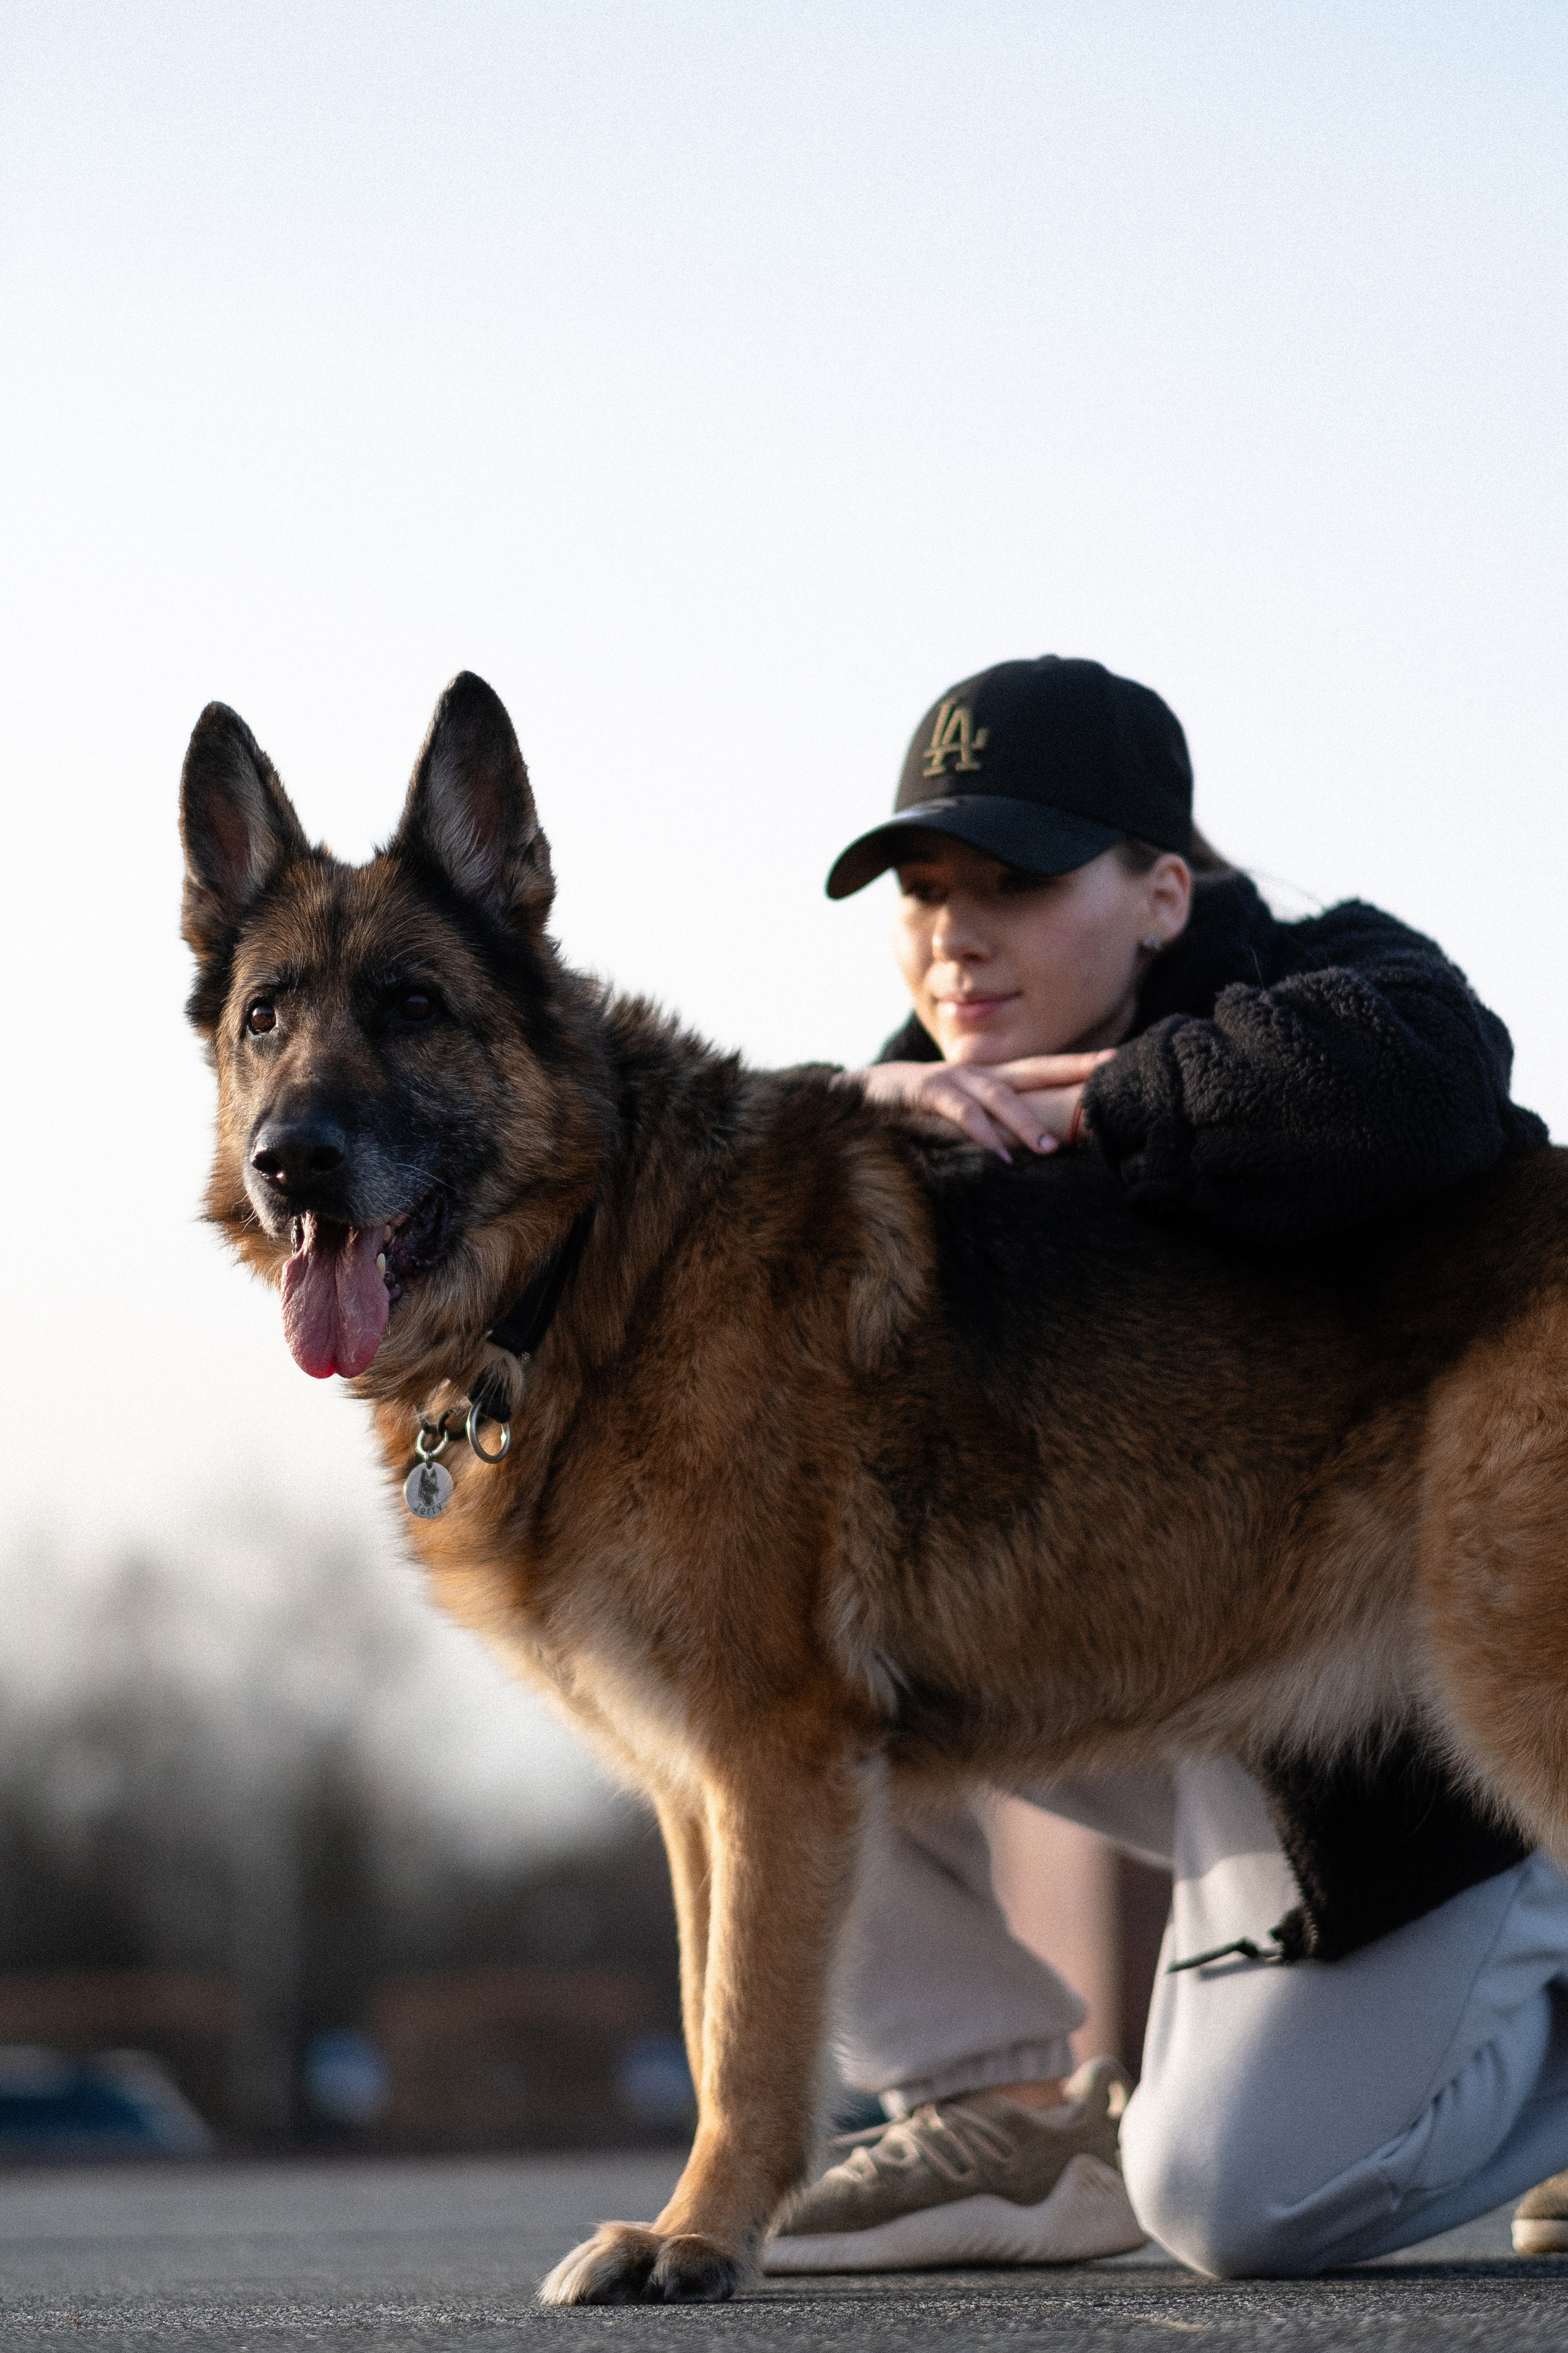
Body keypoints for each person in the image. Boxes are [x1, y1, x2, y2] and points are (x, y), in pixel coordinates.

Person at [766, 655, 1568, 2279]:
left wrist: (1111, 1110)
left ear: (1161, 892)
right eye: (925, 891)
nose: (955, 935)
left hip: (1413, 1723)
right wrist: (842, 1114)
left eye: (1016, 881)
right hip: (1187, 1698)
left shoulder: (1330, 984)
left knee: (1226, 2199)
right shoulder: (904, 1101)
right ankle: (990, 2103)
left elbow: (1435, 1084)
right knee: (748, 1631)